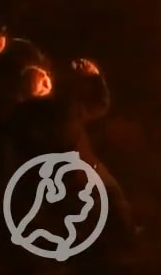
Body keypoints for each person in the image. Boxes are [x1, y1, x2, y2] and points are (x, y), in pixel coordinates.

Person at [10, 58, 131, 234]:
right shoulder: (63, 108)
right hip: (80, 175)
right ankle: (126, 240)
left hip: (43, 183)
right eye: (45, 77)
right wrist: (95, 77)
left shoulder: (18, 117)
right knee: (112, 197)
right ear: (44, 85)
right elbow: (100, 105)